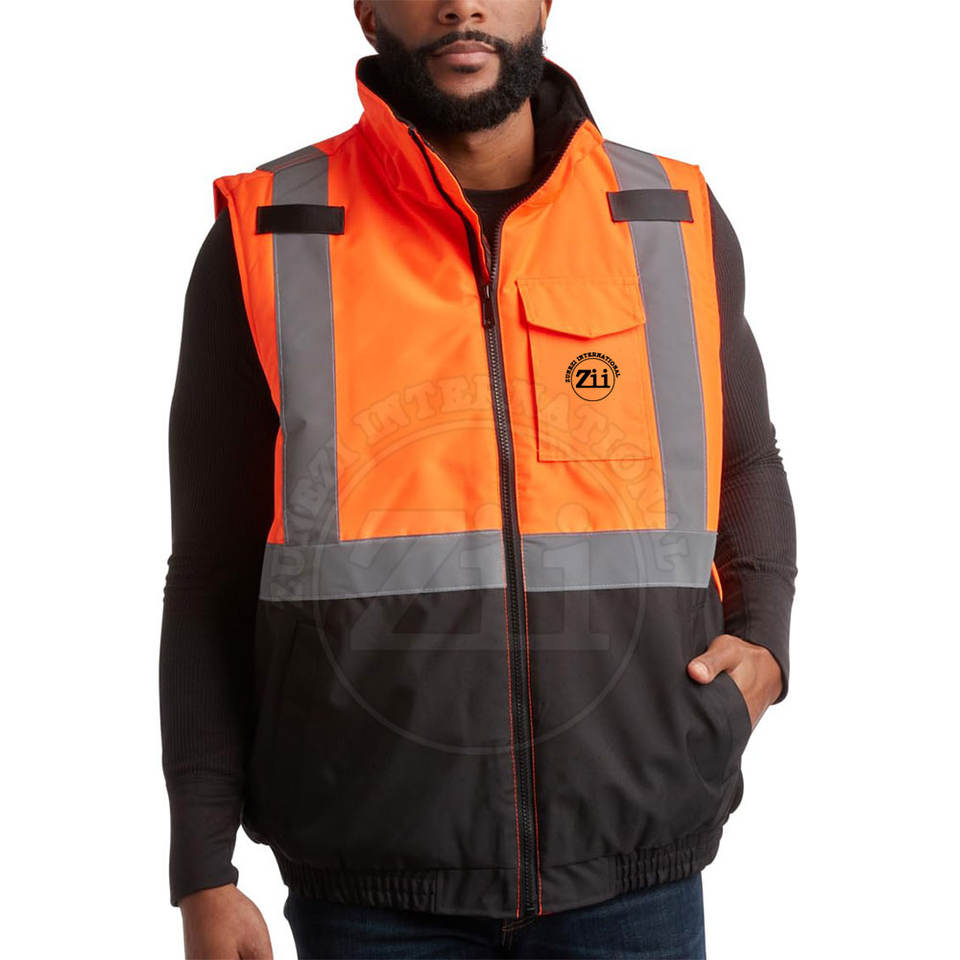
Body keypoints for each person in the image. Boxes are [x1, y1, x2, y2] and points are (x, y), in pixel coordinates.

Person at [160, 1, 798, 957]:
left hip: (637, 864)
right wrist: (203, 867)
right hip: (368, 886)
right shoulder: (276, 232)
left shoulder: (668, 215)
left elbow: (744, 460)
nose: (463, 4)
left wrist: (767, 639)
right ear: (368, 9)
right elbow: (210, 567)